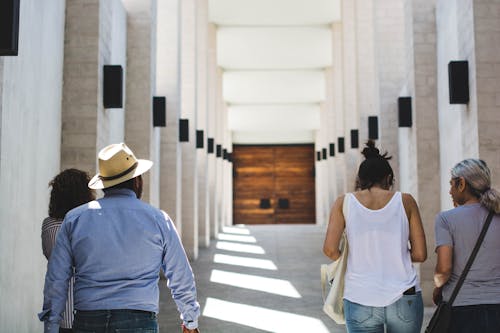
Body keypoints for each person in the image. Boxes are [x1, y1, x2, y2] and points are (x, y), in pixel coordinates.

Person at [39, 143, 200, 333]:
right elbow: (180, 274)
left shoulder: (75, 219)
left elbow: (57, 279)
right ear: (137, 180)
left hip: (88, 320)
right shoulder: (158, 219)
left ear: (104, 184)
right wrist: (190, 321)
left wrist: (51, 327)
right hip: (139, 320)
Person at [323, 140, 427, 333]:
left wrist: (355, 258)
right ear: (389, 178)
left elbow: (329, 249)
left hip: (360, 296)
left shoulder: (343, 203)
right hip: (404, 295)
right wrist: (394, 255)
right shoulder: (406, 201)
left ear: (360, 179)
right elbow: (420, 254)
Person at [433, 158, 500, 333]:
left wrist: (437, 287)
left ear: (461, 183)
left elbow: (444, 269)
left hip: (462, 309)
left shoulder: (446, 219)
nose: (449, 191)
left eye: (451, 184)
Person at [42, 169, 96, 333]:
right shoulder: (92, 224)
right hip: (91, 310)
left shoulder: (50, 226)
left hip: (62, 313)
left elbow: (53, 262)